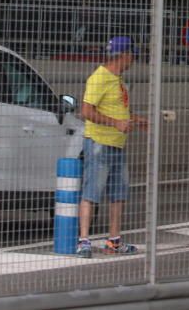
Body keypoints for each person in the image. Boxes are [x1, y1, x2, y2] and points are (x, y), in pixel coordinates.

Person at [76, 35, 148, 258]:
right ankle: (84, 241)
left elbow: (116, 110)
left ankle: (114, 240)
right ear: (124, 55)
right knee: (91, 192)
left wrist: (134, 119)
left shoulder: (117, 79)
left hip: (117, 143)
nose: (133, 59)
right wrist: (116, 122)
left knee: (118, 194)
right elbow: (86, 112)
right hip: (99, 142)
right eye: (132, 55)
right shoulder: (99, 78)